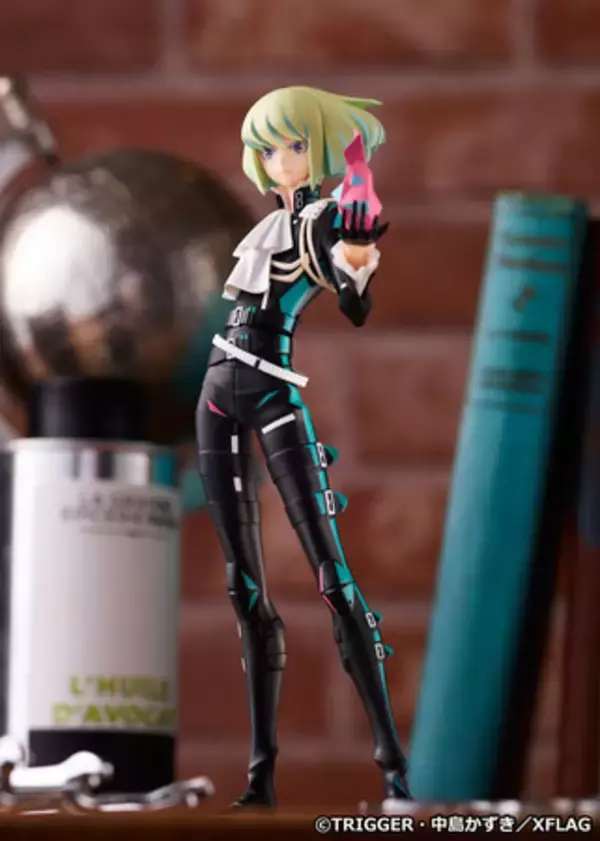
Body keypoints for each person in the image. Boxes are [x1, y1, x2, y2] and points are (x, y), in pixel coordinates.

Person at [195, 86, 410, 808]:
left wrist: (359, 250)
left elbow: (352, 297)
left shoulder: (322, 221)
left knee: (330, 575)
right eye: (268, 147)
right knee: (243, 586)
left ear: (315, 151)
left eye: (292, 145)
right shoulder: (267, 226)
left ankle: (393, 770)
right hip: (216, 389)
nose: (279, 159)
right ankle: (260, 776)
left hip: (270, 388)